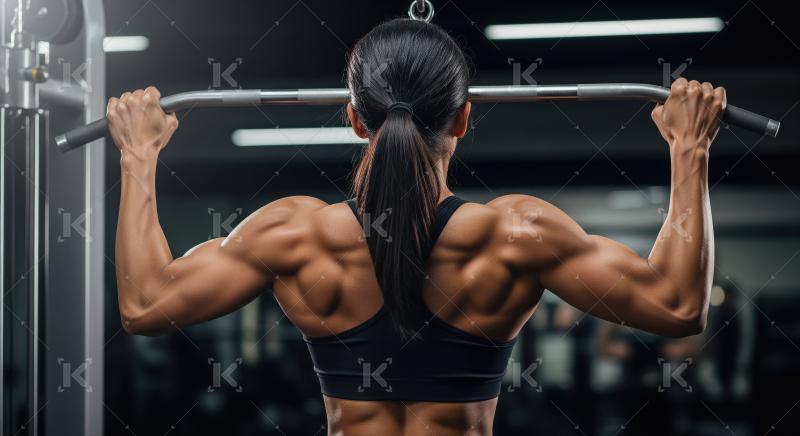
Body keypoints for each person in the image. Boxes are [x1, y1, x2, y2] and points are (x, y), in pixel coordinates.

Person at [107, 18, 724, 436]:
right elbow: (676, 307)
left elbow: (144, 302)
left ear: (354, 118)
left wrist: (139, 158)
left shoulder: (292, 235)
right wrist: (688, 150)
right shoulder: (516, 234)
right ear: (462, 119)